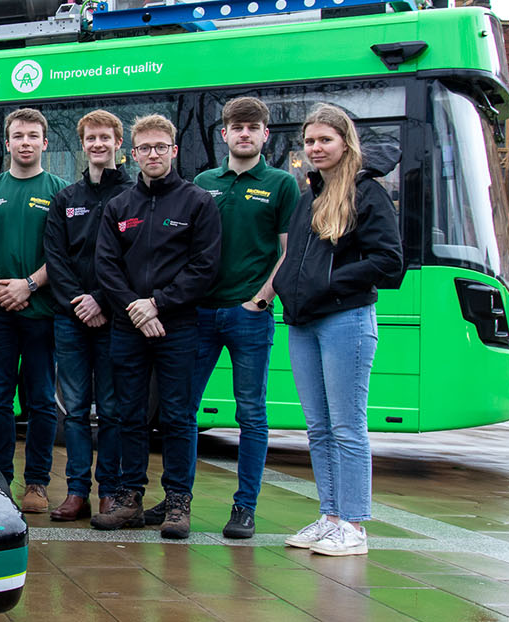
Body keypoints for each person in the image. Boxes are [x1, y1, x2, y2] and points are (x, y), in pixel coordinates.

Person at [164, 96, 300, 539]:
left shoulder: (281, 185)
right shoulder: (204, 181)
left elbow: (288, 251)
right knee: (180, 411)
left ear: (265, 134)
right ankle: (175, 500)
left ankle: (244, 508)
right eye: (236, 127)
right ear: (224, 134)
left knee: (251, 415)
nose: (244, 134)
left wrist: (260, 299)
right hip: (199, 315)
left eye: (252, 127)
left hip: (249, 316)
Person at [275, 104, 402, 556]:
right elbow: (295, 258)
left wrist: (329, 283)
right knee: (318, 427)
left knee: (348, 425)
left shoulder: (367, 193)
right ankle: (330, 515)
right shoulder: (309, 194)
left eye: (324, 140)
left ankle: (354, 523)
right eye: (309, 141)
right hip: (305, 322)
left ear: (345, 142)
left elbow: (389, 262)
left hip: (346, 319)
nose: (315, 148)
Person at [91, 114, 221, 539]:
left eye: (160, 147)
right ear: (133, 152)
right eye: (144, 148)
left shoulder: (198, 202)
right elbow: (106, 266)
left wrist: (157, 304)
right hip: (128, 327)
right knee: (128, 414)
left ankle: (178, 504)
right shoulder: (119, 206)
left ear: (173, 151)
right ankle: (129, 499)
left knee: (179, 417)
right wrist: (134, 307)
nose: (152, 154)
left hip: (178, 325)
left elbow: (205, 267)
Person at [0, 108, 68, 510]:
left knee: (43, 399)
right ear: (7, 143)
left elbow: (63, 255)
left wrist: (28, 285)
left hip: (42, 312)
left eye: (32, 136)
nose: (25, 142)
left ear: (44, 143)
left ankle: (37, 484)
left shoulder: (61, 191)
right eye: (17, 136)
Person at [43, 110, 133, 522]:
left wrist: (101, 300)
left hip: (116, 319)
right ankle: (77, 491)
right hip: (70, 319)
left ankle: (109, 492)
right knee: (75, 411)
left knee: (112, 411)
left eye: (106, 137)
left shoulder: (133, 196)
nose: (98, 144)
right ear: (83, 144)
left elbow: (132, 260)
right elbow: (56, 258)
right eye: (91, 138)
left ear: (119, 143)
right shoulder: (66, 199)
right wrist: (80, 300)